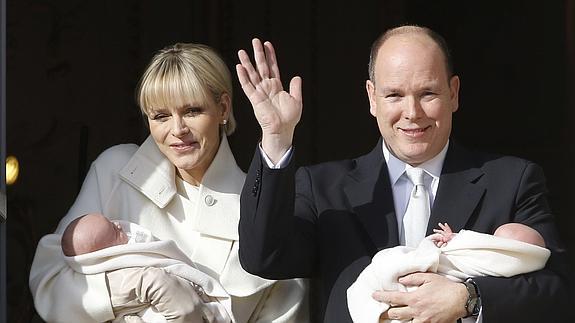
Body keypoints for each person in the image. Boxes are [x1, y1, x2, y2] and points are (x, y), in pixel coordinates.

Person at [235, 25, 570, 322]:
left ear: (453, 93)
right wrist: (276, 137)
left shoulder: (512, 181)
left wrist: (468, 298)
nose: (412, 113)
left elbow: (558, 293)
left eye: (428, 93)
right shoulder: (323, 188)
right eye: (394, 95)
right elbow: (264, 258)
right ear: (372, 98)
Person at [29, 43, 307, 323]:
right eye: (160, 116)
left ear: (223, 108)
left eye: (192, 111)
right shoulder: (114, 170)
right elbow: (50, 281)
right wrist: (138, 285)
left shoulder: (261, 212)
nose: (177, 130)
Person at [347, 222, 551, 323]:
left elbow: (554, 289)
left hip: (443, 272)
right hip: (418, 270)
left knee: (391, 265)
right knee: (384, 269)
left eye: (495, 239)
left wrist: (468, 296)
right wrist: (453, 239)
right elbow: (468, 244)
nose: (489, 238)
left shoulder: (519, 177)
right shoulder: (320, 182)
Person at [61, 213, 232, 323]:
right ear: (106, 253)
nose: (120, 225)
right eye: (114, 231)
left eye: (113, 222)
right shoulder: (122, 269)